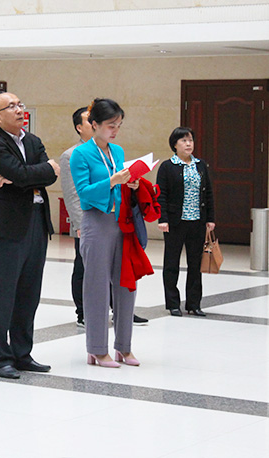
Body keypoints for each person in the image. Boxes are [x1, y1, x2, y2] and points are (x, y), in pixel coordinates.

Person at [0, 92, 59, 379]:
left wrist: (23, 175)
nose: (18, 110)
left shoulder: (33, 141)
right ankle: (1, 358)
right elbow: (27, 174)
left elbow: (50, 174)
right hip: (7, 226)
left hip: (37, 222)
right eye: (10, 106)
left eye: (19, 104)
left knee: (29, 292)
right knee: (4, 294)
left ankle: (22, 354)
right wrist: (30, 173)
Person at [70, 98, 140, 368]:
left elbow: (121, 183)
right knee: (97, 286)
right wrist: (112, 181)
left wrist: (131, 184)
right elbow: (84, 192)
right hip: (96, 222)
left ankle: (124, 346)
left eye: (119, 125)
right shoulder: (81, 154)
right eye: (111, 125)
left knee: (125, 284)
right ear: (94, 124)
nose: (115, 130)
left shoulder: (117, 151)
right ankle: (97, 349)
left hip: (121, 221)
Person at [157, 127, 215, 317]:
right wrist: (163, 218)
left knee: (195, 264)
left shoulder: (200, 165)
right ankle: (173, 303)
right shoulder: (167, 167)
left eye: (190, 140)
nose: (188, 144)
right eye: (183, 140)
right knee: (171, 263)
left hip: (197, 221)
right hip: (175, 222)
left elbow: (208, 193)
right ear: (174, 144)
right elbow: (161, 195)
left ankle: (194, 303)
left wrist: (210, 218)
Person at [59, 107, 92, 328]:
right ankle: (82, 311)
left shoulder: (109, 151)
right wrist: (80, 224)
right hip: (86, 220)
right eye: (90, 121)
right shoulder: (71, 155)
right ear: (79, 128)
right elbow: (72, 194)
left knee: (112, 265)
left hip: (110, 218)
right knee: (83, 266)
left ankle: (115, 306)